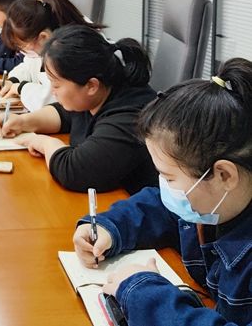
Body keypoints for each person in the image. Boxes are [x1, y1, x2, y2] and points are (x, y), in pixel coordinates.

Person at [73, 58, 252, 325]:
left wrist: (142, 292)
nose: (164, 187)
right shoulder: (211, 203)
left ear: (224, 175)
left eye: (169, 177)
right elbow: (158, 207)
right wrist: (109, 228)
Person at [0, 24, 157, 194]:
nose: (52, 91)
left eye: (56, 85)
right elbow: (66, 114)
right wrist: (23, 121)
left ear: (91, 85)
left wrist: (44, 143)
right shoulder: (100, 91)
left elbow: (75, 171)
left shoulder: (131, 116)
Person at [0, 0, 103, 112]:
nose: (23, 51)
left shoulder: (71, 49)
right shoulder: (48, 39)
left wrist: (20, 88)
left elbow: (51, 99)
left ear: (43, 37)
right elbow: (29, 65)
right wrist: (12, 81)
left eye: (23, 46)